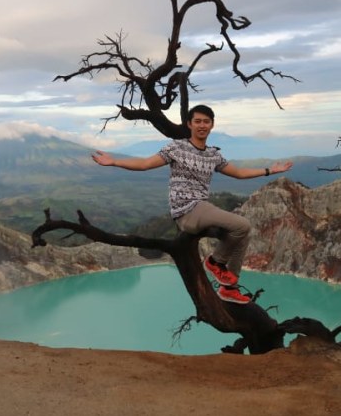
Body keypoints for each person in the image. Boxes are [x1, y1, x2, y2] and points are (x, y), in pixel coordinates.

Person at [91, 104, 293, 304]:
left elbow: (239, 173)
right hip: (185, 210)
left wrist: (269, 170)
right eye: (197, 121)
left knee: (242, 235)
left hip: (202, 208)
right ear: (189, 124)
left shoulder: (213, 155)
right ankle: (215, 262)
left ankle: (229, 288)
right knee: (243, 225)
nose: (202, 125)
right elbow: (145, 164)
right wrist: (115, 161)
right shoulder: (176, 148)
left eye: (206, 121)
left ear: (212, 125)